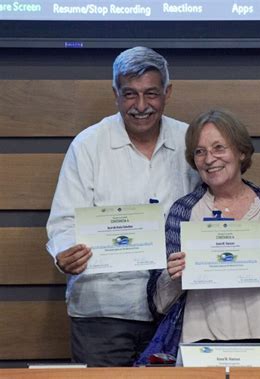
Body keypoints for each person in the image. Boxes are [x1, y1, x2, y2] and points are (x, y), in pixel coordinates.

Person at [46, 46, 200, 367]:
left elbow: (215, 209)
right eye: (130, 94)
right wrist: (65, 254)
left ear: (167, 93)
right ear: (115, 93)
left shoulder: (190, 142)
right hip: (101, 312)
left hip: (175, 309)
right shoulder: (88, 145)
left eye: (151, 94)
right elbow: (64, 224)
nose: (141, 106)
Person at [137, 109, 260, 366]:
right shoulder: (183, 212)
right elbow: (158, 304)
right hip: (198, 347)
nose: (209, 159)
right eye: (200, 151)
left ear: (241, 152)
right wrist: (172, 276)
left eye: (219, 148)